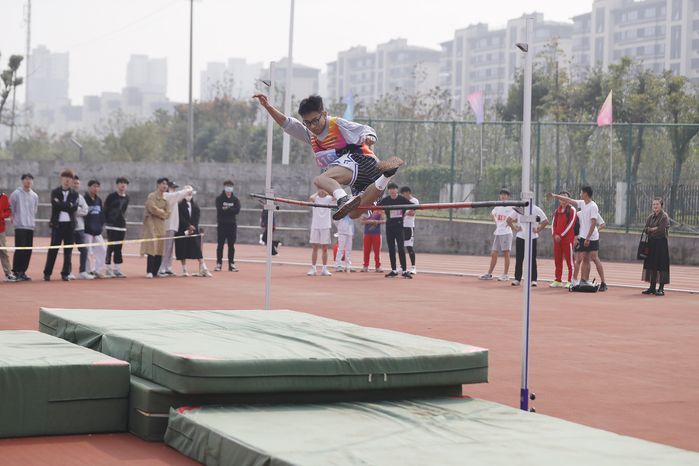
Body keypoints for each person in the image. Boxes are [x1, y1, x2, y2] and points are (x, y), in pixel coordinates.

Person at [253, 93, 403, 220]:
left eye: (315, 120)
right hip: (370, 178)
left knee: (320, 179)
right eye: (307, 123)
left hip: (364, 162)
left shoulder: (336, 124)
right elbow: (288, 124)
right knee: (354, 213)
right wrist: (267, 106)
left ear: (324, 114)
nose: (313, 126)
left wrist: (369, 136)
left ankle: (343, 198)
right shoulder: (310, 134)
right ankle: (387, 175)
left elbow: (363, 129)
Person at [547, 185, 607, 291]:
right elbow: (569, 200)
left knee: (595, 258)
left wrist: (588, 238)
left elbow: (594, 223)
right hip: (583, 236)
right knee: (585, 258)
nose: (580, 194)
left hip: (591, 237)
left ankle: (603, 282)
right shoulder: (582, 203)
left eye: (581, 193)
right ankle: (584, 280)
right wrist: (555, 196)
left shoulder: (593, 206)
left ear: (585, 194)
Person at [43, 169, 79, 282]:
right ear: (62, 178)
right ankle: (47, 273)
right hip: (57, 225)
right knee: (53, 248)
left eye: (70, 178)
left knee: (68, 250)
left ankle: (65, 273)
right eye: (65, 177)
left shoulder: (74, 193)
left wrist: (61, 204)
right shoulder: (55, 191)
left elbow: (74, 207)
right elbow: (55, 205)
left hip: (70, 225)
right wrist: (68, 204)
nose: (67, 180)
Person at [507, 203, 548, 286]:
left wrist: (537, 230)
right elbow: (508, 220)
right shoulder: (520, 209)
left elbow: (546, 221)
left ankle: (533, 280)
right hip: (521, 236)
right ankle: (517, 279)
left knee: (532, 259)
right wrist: (515, 229)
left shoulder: (537, 209)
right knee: (519, 258)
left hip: (532, 237)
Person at [158, 181, 193, 277]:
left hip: (172, 226)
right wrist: (187, 190)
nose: (174, 190)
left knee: (169, 249)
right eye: (172, 188)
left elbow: (178, 195)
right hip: (167, 226)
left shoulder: (173, 197)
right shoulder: (167, 196)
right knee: (166, 249)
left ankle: (167, 268)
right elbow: (178, 195)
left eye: (175, 188)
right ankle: (161, 269)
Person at [377, 183, 412, 279]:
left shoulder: (402, 199)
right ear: (388, 190)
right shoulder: (386, 200)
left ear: (397, 190)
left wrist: (406, 214)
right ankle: (393, 271)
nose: (392, 190)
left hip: (399, 227)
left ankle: (404, 271)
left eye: (394, 188)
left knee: (401, 249)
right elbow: (377, 207)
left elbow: (413, 206)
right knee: (391, 249)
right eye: (390, 189)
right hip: (389, 228)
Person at [8, 173, 38, 281]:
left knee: (28, 250)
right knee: (20, 249)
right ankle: (16, 271)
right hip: (20, 226)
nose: (28, 181)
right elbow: (11, 208)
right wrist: (15, 220)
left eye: (30, 179)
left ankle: (22, 271)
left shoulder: (34, 195)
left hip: (30, 226)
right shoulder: (16, 194)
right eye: (26, 179)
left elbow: (34, 210)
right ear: (22, 181)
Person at [175, 187, 211, 277]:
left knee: (197, 250)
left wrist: (192, 227)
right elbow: (180, 218)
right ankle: (184, 269)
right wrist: (188, 226)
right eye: (188, 193)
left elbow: (196, 218)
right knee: (182, 250)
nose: (189, 195)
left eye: (191, 193)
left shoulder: (195, 206)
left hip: (194, 231)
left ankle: (204, 268)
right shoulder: (179, 206)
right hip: (182, 230)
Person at [479, 188, 514, 281]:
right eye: (501, 194)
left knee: (505, 253)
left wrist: (509, 222)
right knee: (494, 253)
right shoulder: (498, 205)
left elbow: (517, 216)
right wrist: (496, 221)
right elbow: (492, 214)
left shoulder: (511, 206)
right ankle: (489, 274)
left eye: (505, 195)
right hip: (498, 232)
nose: (503, 196)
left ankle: (505, 275)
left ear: (508, 197)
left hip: (506, 232)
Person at [140, 178, 171, 279]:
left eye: (166, 184)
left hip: (161, 225)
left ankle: (156, 271)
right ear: (158, 184)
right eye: (163, 183)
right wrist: (162, 212)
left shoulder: (165, 199)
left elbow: (168, 213)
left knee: (160, 248)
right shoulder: (152, 196)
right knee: (152, 247)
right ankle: (149, 271)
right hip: (151, 223)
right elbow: (153, 209)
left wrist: (160, 212)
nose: (165, 186)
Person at [641, 197, 670, 296]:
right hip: (651, 243)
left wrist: (650, 230)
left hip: (661, 244)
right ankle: (652, 287)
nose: (655, 206)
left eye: (657, 204)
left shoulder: (664, 217)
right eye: (653, 204)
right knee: (651, 265)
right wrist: (652, 229)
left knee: (661, 265)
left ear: (661, 206)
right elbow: (645, 229)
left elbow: (661, 231)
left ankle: (661, 288)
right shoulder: (650, 216)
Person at [549, 190, 577, 288]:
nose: (562, 198)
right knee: (558, 261)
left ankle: (571, 280)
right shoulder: (556, 211)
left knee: (570, 261)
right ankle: (558, 280)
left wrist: (561, 235)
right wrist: (554, 235)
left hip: (567, 240)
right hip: (557, 241)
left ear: (569, 198)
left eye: (565, 196)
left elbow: (571, 224)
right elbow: (553, 224)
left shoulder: (572, 210)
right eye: (561, 196)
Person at [104, 176, 130, 278]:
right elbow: (106, 209)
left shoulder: (127, 198)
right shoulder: (111, 196)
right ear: (117, 184)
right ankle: (108, 268)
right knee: (111, 247)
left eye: (125, 183)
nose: (123, 185)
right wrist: (108, 221)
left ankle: (117, 268)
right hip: (112, 226)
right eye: (121, 183)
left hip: (121, 226)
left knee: (119, 248)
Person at [215, 179, 241, 272]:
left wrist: (227, 209)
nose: (229, 188)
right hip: (222, 225)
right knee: (220, 245)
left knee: (231, 245)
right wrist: (230, 210)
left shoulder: (235, 199)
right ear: (224, 187)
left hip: (232, 225)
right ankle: (219, 263)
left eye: (230, 186)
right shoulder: (219, 199)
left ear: (233, 187)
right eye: (227, 186)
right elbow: (220, 210)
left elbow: (237, 210)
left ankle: (231, 264)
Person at [84, 180, 108, 279]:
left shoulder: (98, 199)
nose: (96, 188)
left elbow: (102, 214)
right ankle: (87, 271)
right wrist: (87, 226)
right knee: (87, 251)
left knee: (102, 250)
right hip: (87, 231)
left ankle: (97, 271)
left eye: (97, 186)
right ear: (89, 187)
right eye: (94, 186)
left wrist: (100, 225)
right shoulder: (84, 199)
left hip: (97, 230)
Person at [70, 176, 92, 280]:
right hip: (69, 227)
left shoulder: (80, 197)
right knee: (68, 250)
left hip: (80, 228)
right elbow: (67, 210)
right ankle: (68, 271)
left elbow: (85, 211)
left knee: (84, 249)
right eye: (74, 183)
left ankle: (82, 271)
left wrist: (75, 209)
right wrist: (78, 209)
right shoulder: (66, 196)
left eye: (77, 183)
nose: (76, 185)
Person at [308, 189, 334, 276]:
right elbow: (311, 198)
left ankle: (324, 268)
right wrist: (318, 192)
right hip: (315, 225)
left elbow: (335, 197)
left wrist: (327, 191)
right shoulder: (315, 198)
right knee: (315, 247)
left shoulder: (328, 198)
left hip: (325, 225)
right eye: (320, 188)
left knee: (325, 248)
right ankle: (313, 268)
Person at [399, 186, 419, 274]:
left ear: (408, 192)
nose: (403, 195)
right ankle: (402, 266)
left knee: (409, 247)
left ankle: (413, 267)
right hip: (401, 226)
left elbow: (413, 212)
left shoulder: (414, 201)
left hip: (409, 226)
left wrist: (405, 214)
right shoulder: (401, 201)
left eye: (403, 193)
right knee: (400, 247)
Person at [0, 180, 13, 281]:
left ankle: (8, 273)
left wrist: (1, 215)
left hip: (0, 228)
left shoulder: (4, 197)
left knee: (3, 251)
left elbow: (8, 210)